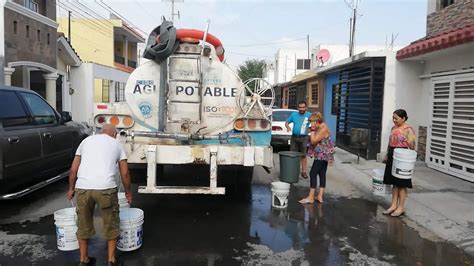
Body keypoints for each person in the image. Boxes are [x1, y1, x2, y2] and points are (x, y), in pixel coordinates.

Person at [67, 124, 132, 266]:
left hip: (83, 188)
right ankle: (111, 260)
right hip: (106, 189)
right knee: (111, 223)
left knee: (83, 224)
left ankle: (83, 259)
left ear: (100, 132)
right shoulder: (117, 144)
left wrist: (71, 189)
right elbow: (125, 173)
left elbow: (73, 170)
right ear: (114, 134)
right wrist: (128, 192)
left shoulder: (86, 141)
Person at [382, 109, 416, 217]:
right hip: (393, 154)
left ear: (403, 118)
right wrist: (387, 154)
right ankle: (393, 205)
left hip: (403, 157)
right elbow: (390, 142)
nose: (394, 120)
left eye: (396, 118)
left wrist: (407, 140)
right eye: (393, 118)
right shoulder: (393, 128)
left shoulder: (409, 130)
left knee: (401, 183)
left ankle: (401, 208)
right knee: (394, 182)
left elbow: (413, 145)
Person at [299, 112, 335, 204]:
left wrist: (312, 131)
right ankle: (319, 196)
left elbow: (314, 141)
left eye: (312, 122)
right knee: (322, 173)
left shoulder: (323, 128)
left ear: (316, 121)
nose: (311, 124)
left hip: (322, 155)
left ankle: (311, 197)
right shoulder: (321, 126)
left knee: (313, 173)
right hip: (323, 154)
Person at [285, 101, 312, 179]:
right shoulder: (294, 114)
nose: (302, 109)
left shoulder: (309, 115)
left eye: (303, 107)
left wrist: (311, 130)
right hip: (294, 138)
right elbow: (287, 122)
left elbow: (314, 124)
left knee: (303, 155)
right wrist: (288, 127)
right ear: (298, 108)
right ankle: (293, 171)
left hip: (304, 138)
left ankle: (304, 172)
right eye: (300, 107)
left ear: (306, 107)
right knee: (293, 155)